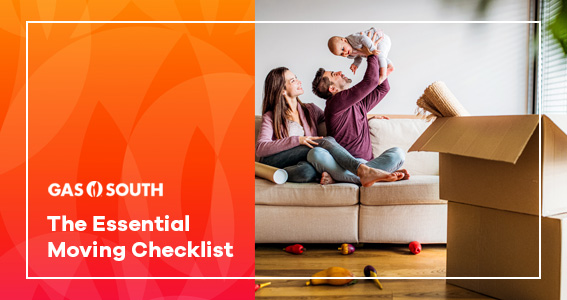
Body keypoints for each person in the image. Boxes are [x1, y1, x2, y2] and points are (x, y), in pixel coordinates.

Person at [256, 67, 404, 186]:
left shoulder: (311, 109)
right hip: (276, 161)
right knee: (324, 141)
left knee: (308, 172)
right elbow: (261, 148)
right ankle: (363, 171)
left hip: (303, 164)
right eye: (293, 80)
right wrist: (298, 140)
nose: (299, 81)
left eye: (296, 78)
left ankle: (360, 174)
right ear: (282, 90)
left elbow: (336, 118)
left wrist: (366, 117)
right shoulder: (271, 116)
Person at [311, 34, 410, 184]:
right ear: (332, 88)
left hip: (368, 163)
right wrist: (371, 54)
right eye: (333, 75)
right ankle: (375, 175)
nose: (338, 72)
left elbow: (383, 88)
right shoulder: (334, 103)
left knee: (398, 154)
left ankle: (367, 175)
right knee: (316, 153)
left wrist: (374, 56)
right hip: (345, 165)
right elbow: (371, 82)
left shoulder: (358, 104)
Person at [328, 27, 394, 84]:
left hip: (380, 38)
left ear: (344, 40)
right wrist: (356, 64)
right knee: (380, 58)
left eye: (343, 49)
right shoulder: (350, 55)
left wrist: (372, 48)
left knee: (380, 56)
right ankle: (389, 66)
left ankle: (383, 75)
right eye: (341, 54)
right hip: (375, 45)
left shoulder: (352, 39)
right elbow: (358, 56)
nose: (344, 53)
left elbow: (363, 38)